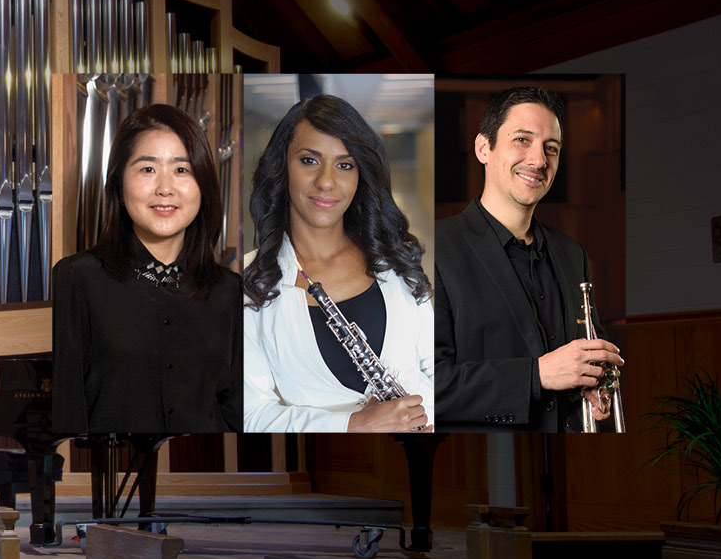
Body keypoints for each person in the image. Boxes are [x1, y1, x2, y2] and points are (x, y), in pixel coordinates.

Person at [240, 95, 435, 433]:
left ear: (361, 174)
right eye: (309, 160)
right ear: (282, 167)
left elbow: (439, 371)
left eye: (345, 165)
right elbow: (250, 413)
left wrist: (422, 417)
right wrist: (352, 424)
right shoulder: (247, 282)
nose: (327, 182)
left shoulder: (397, 261)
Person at [434, 87, 623, 432]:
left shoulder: (572, 254)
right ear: (483, 148)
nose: (539, 160)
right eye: (522, 140)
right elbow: (425, 387)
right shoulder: (432, 250)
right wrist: (536, 376)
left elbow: (586, 360)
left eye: (551, 148)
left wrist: (595, 385)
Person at [52, 104, 242, 434]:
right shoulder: (76, 278)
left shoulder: (230, 290)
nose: (165, 188)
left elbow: (237, 409)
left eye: (182, 170)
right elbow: (68, 411)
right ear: (119, 186)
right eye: (148, 170)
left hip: (208, 478)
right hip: (108, 476)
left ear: (203, 186)